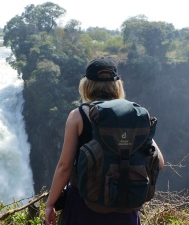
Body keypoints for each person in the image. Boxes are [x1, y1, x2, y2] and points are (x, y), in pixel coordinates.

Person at [45, 57, 164, 225]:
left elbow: (64, 167)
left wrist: (50, 204)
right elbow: (158, 163)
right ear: (117, 85)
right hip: (125, 207)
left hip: (84, 206)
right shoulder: (136, 115)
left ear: (86, 85)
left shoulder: (78, 116)